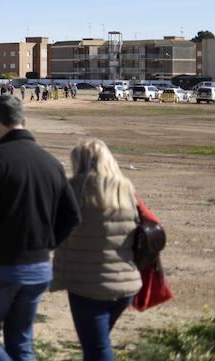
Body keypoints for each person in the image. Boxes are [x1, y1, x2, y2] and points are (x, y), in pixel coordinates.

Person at [0, 95, 81, 361]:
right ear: (23, 121)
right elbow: (72, 216)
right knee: (21, 342)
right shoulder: (51, 162)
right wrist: (46, 244)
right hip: (38, 268)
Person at [51, 139, 141, 361]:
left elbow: (54, 231)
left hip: (88, 287)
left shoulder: (74, 188)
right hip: (126, 285)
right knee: (98, 344)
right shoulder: (125, 188)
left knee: (96, 349)